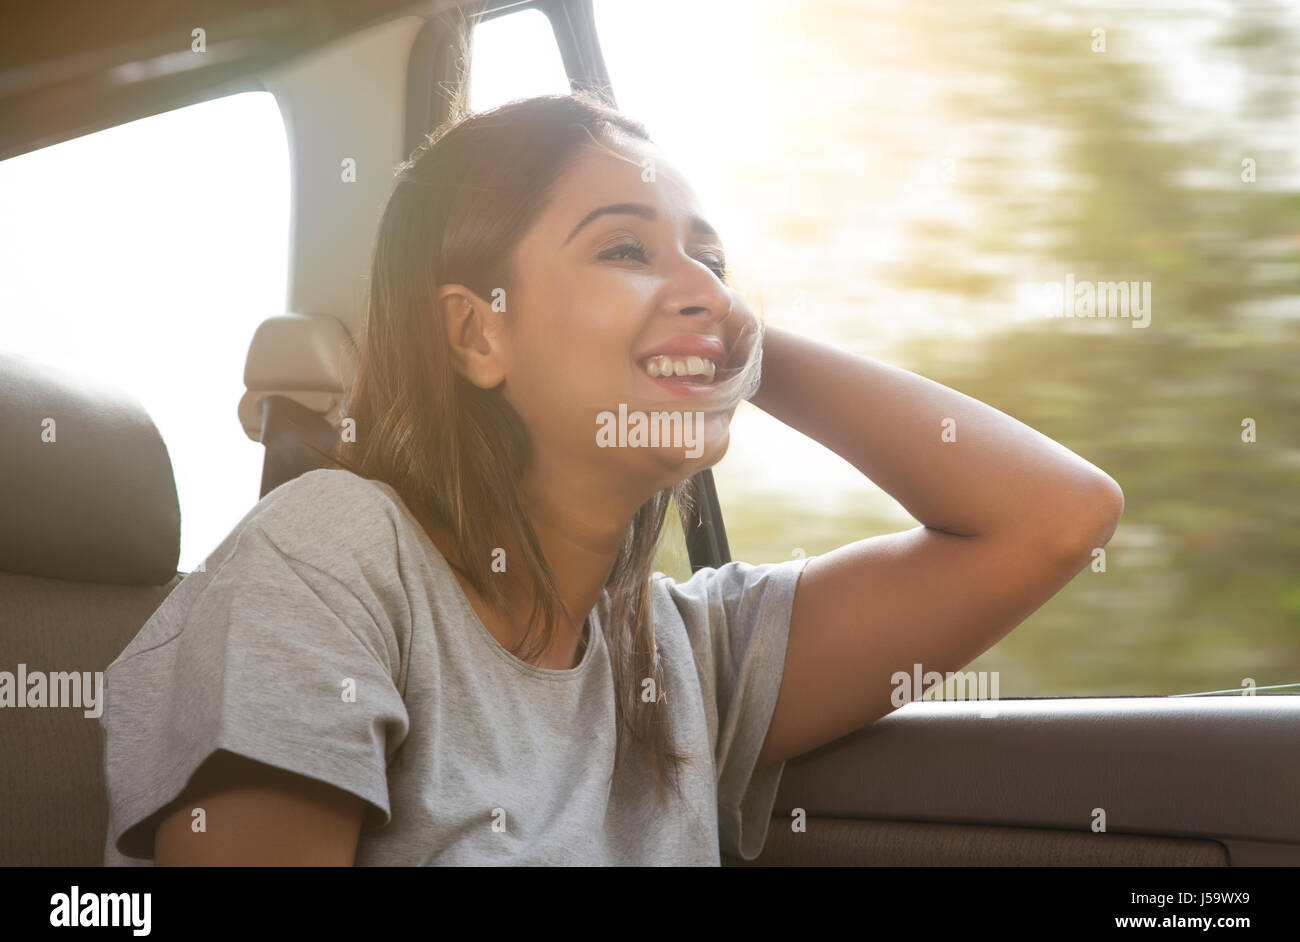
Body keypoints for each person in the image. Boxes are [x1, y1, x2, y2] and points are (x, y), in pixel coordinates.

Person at [101, 92, 1123, 866]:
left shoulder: (684, 654)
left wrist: (732, 340)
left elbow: (1055, 516)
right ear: (478, 329)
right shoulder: (328, 555)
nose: (708, 294)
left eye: (714, 261)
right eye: (625, 248)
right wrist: (692, 315)